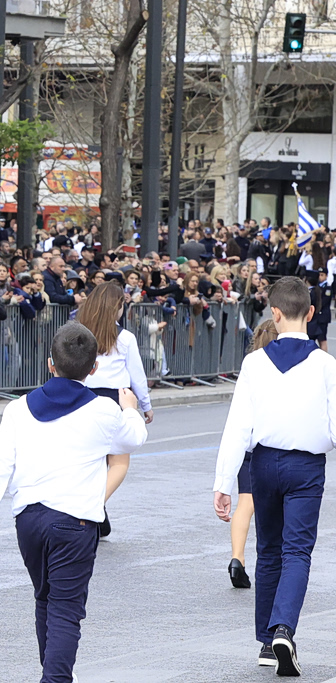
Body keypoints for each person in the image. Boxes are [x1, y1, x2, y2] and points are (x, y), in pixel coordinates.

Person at [0, 321, 148, 683]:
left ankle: (53, 671)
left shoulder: (18, 408)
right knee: (66, 610)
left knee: (45, 599)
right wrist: (129, 407)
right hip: (75, 520)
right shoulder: (103, 410)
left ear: (50, 364)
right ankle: (56, 677)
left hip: (30, 520)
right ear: (94, 368)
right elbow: (135, 439)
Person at [213, 276, 336, 676]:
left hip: (263, 463)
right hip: (306, 466)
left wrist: (223, 481)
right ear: (312, 314)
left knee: (267, 551)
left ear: (274, 312)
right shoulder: (325, 364)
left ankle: (267, 641)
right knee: (296, 551)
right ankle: (284, 626)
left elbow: (237, 427)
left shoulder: (253, 363)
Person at [75, 283, 153, 538]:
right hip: (116, 398)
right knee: (119, 461)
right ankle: (94, 506)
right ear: (116, 307)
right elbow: (137, 375)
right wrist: (146, 405)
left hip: (84, 396)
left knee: (92, 458)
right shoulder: (125, 337)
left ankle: (99, 511)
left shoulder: (78, 334)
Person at [227, 319, 278, 592]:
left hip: (246, 445)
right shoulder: (283, 371)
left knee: (245, 503)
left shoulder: (251, 368)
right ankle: (274, 561)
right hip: (269, 446)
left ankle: (237, 558)